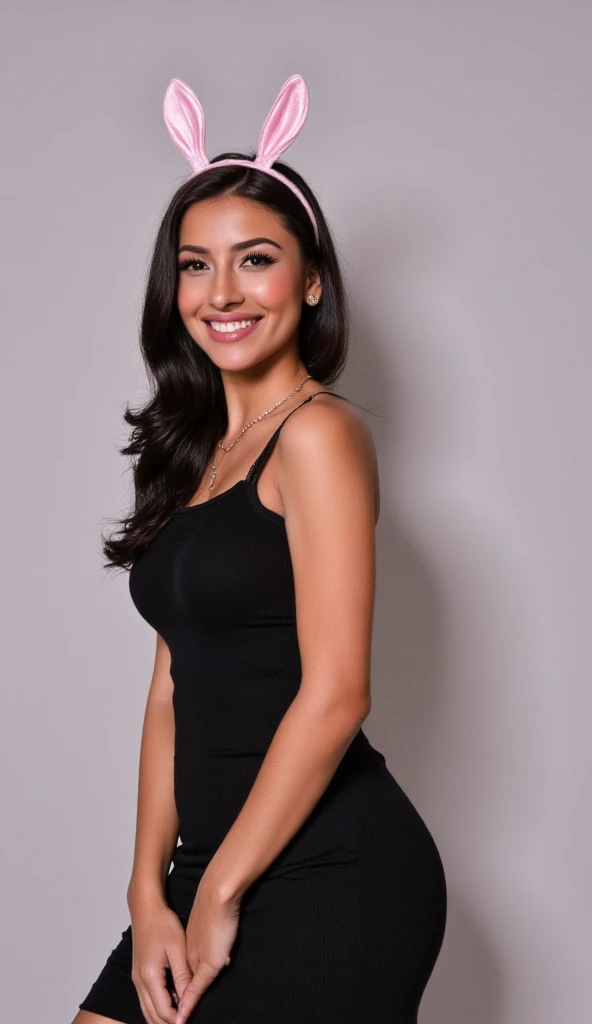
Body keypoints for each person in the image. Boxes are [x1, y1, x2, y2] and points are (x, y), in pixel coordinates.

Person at [74, 75, 447, 1024]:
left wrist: (220, 892)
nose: (223, 293)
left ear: (311, 279)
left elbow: (337, 694)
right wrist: (147, 894)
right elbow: (169, 688)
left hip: (329, 868)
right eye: (197, 265)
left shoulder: (319, 435)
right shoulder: (191, 455)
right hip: (204, 863)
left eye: (257, 260)